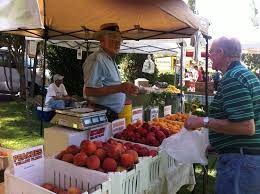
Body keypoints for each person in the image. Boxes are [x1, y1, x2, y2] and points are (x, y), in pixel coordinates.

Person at [184, 37, 260, 194]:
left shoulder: (232, 78)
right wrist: (218, 144)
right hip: (246, 158)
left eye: (211, 52)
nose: (209, 56)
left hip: (240, 162)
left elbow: (246, 127)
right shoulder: (245, 75)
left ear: (221, 52)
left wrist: (203, 121)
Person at [82, 23, 139, 121]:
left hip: (108, 114)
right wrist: (120, 88)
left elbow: (110, 85)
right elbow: (89, 91)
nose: (118, 43)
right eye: (113, 38)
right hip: (101, 114)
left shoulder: (109, 59)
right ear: (102, 40)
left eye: (119, 40)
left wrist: (124, 88)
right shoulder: (97, 59)